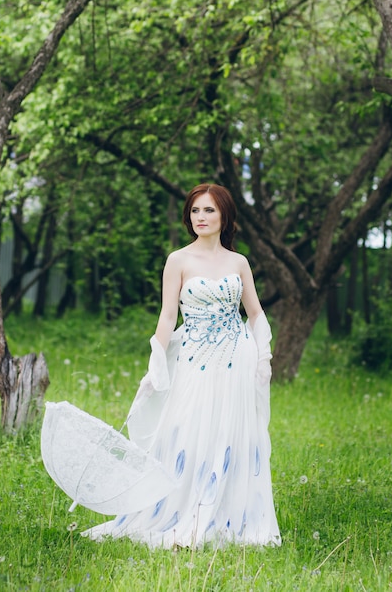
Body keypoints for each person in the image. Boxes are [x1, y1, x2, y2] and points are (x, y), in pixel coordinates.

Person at [82, 183, 281, 548]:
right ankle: (179, 509)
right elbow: (167, 315)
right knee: (186, 427)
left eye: (209, 210)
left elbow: (255, 313)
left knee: (229, 431)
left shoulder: (239, 263)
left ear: (224, 216)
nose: (201, 217)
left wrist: (263, 355)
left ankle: (226, 512)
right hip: (194, 359)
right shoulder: (178, 260)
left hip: (237, 359)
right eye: (195, 211)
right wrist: (155, 362)